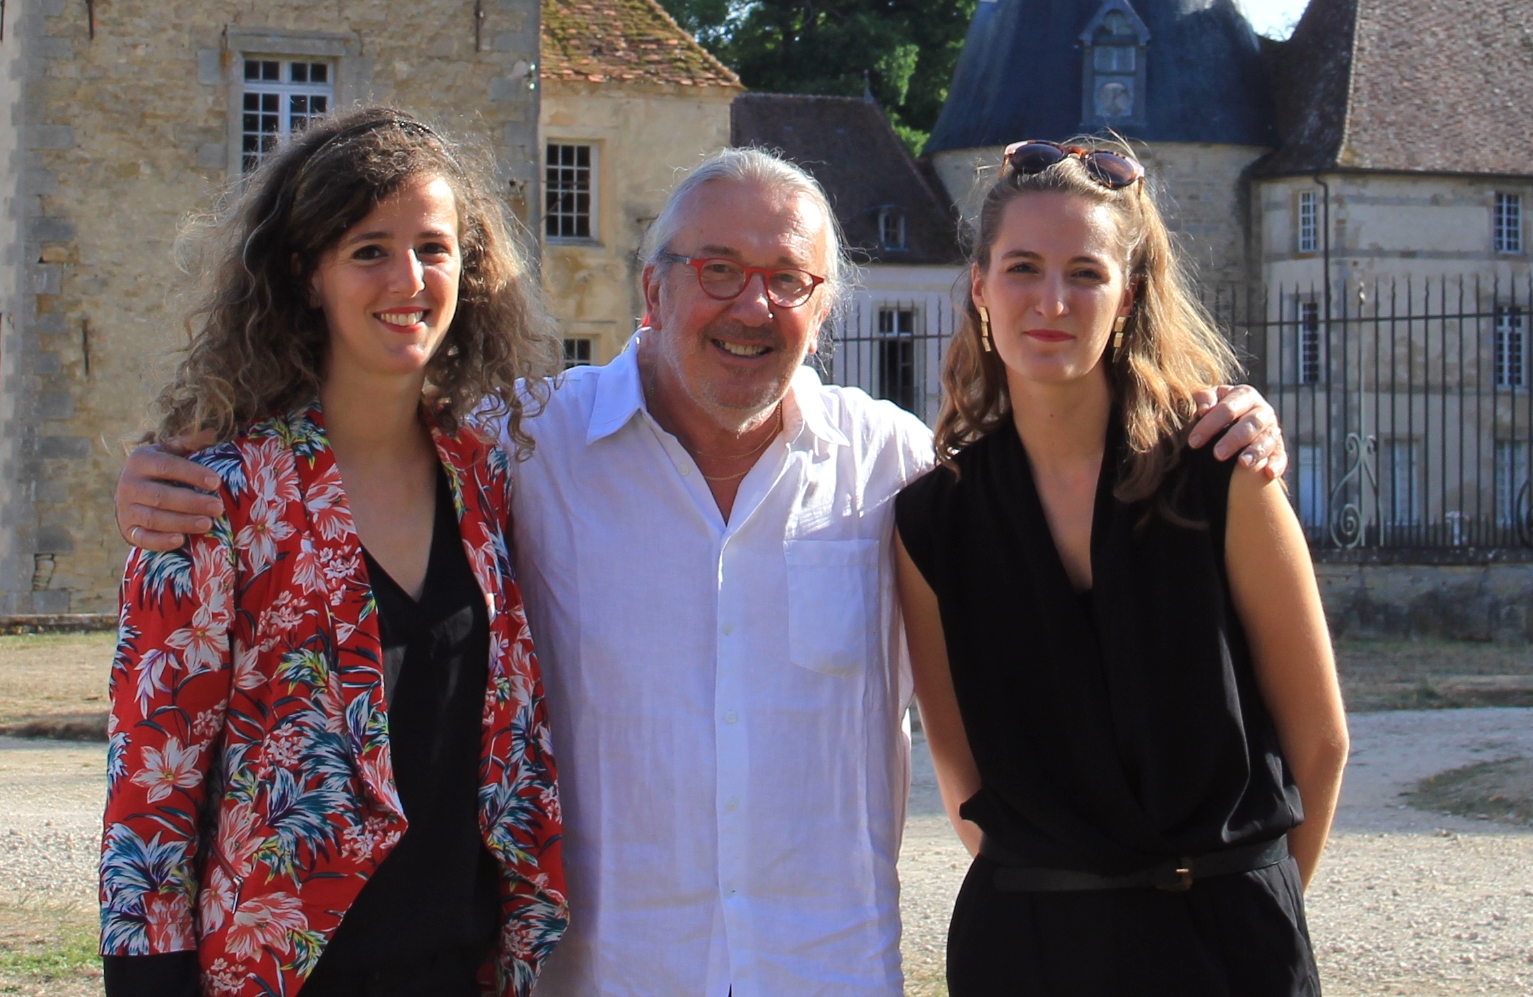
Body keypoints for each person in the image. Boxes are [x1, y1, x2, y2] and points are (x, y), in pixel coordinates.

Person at [113, 147, 1288, 995]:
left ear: (826, 308)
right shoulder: (526, 444)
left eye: (787, 277)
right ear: (650, 290)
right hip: (608, 975)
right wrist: (166, 472)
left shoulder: (901, 472)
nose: (751, 304)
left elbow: (1067, 454)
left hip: (825, 973)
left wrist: (1224, 415)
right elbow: (361, 420)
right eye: (715, 269)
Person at [98, 108, 567, 997]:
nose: (410, 278)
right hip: (283, 976)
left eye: (434, 248)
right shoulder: (217, 494)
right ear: (305, 276)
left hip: (463, 973)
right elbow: (148, 789)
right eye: (368, 250)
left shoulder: (488, 478)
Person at [893, 140, 1349, 995]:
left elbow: (1319, 742)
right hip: (1026, 950)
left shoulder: (1222, 474)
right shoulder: (929, 522)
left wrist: (1256, 902)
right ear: (979, 290)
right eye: (1022, 268)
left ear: (1126, 294)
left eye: (1086, 273)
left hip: (1230, 944)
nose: (1052, 301)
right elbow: (965, 788)